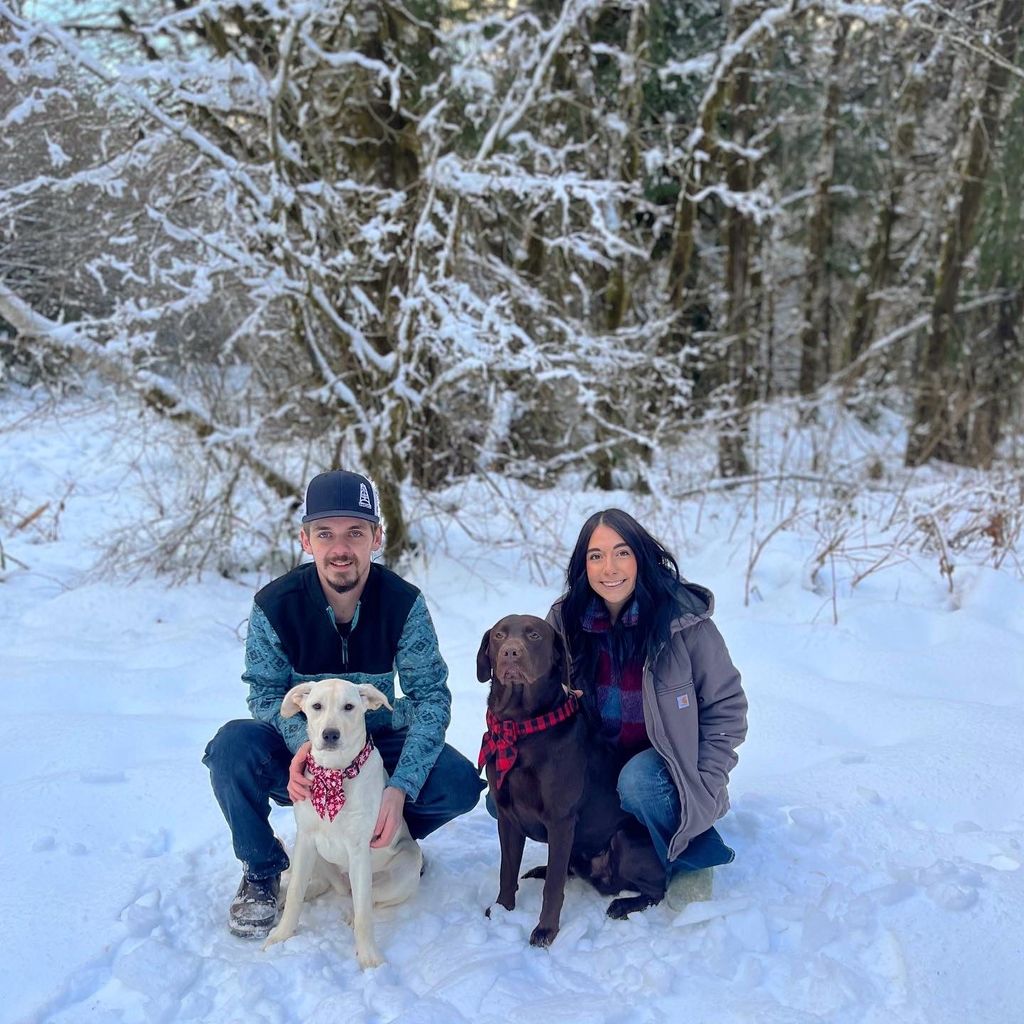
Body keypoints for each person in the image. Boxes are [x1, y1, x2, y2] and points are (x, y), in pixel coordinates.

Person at [203, 470, 485, 937]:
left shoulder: (403, 604)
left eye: (355, 532)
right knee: (232, 748)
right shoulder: (275, 605)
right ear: (305, 540)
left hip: (375, 743)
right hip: (303, 751)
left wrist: (399, 788)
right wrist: (305, 749)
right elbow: (265, 694)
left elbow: (431, 697)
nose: (340, 548)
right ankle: (262, 869)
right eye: (325, 533)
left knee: (457, 784)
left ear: (376, 537)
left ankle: (387, 845)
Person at [546, 508, 747, 908]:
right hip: (598, 766)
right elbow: (542, 699)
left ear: (641, 556)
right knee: (504, 800)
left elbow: (727, 709)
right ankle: (609, 845)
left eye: (622, 553)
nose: (609, 568)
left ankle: (690, 854)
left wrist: (704, 784)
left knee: (638, 781)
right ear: (582, 565)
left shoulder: (683, 623)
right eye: (596, 556)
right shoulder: (565, 621)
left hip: (667, 770)